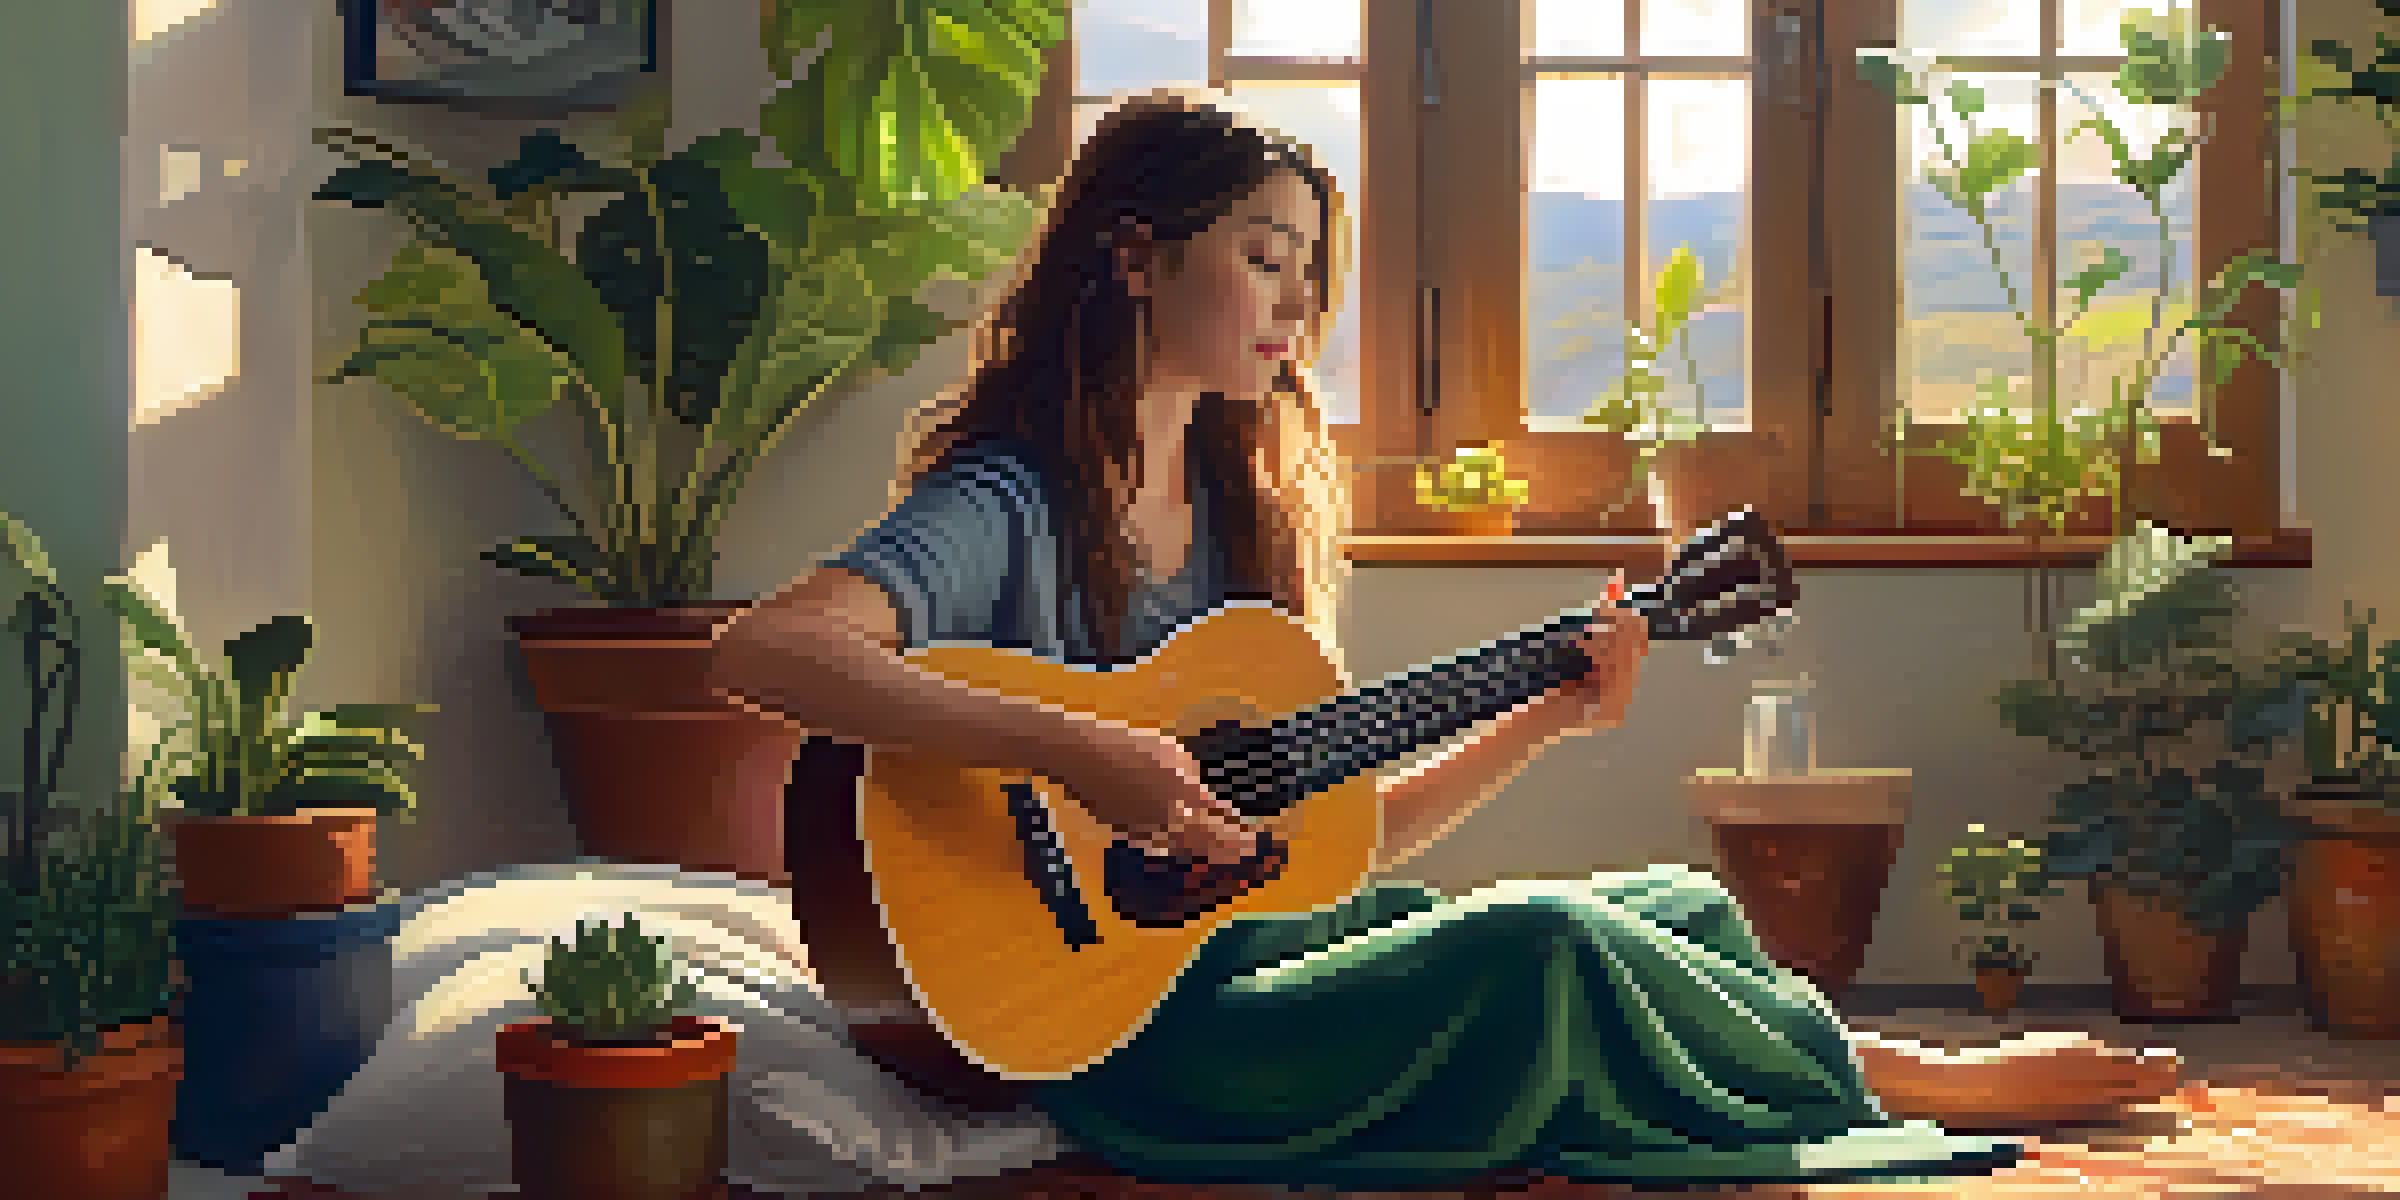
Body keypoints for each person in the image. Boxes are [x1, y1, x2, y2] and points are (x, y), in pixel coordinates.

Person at [706, 91, 2141, 1193]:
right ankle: (1907, 1080)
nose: (1297, 303)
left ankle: (1860, 1070)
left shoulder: (1231, 518)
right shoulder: (1009, 499)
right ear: (1135, 258)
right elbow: (770, 653)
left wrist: (1548, 717)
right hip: (1112, 1035)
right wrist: (1083, 752)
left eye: (1310, 271)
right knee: (1545, 947)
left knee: (1673, 907)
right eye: (1265, 258)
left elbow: (1333, 846)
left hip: (1232, 961)